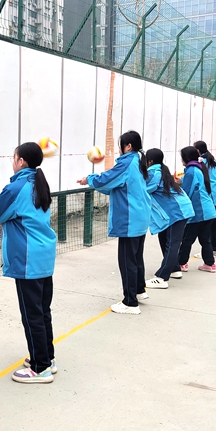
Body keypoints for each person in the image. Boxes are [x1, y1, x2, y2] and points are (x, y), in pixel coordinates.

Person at [0, 142, 57, 383]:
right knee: (42, 311)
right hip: (43, 257)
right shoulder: (37, 183)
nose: (12, 161)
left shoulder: (17, 187)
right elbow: (10, 206)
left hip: (28, 260)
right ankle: (47, 357)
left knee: (32, 315)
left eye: (14, 158)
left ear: (22, 162)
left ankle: (40, 368)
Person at [78, 130, 150, 315]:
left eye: (120, 145)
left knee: (127, 261)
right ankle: (139, 291)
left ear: (128, 146)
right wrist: (95, 182)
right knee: (136, 258)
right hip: (139, 217)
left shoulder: (127, 163)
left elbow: (107, 179)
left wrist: (90, 179)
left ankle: (130, 302)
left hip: (129, 219)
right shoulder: (138, 161)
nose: (119, 149)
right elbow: (115, 186)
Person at [143, 148, 194, 289]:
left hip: (177, 212)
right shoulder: (160, 171)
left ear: (150, 161)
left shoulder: (154, 173)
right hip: (177, 210)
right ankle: (175, 268)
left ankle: (161, 277)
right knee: (164, 238)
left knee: (172, 244)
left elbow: (143, 190)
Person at [176, 146, 216, 273]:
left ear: (186, 158)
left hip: (199, 212)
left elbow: (187, 192)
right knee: (205, 239)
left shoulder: (191, 170)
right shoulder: (199, 167)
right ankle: (210, 263)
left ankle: (182, 263)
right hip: (208, 210)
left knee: (187, 239)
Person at [194, 141, 216, 256]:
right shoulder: (211, 160)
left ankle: (208, 251)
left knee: (207, 226)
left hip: (214, 196)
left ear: (198, 150)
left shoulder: (201, 162)